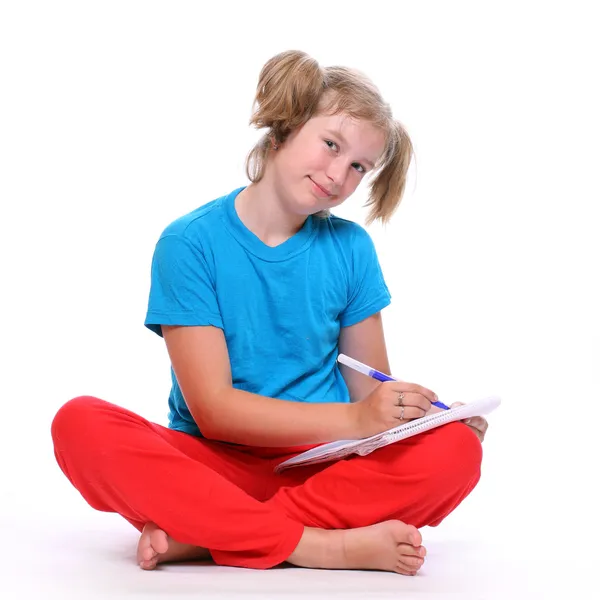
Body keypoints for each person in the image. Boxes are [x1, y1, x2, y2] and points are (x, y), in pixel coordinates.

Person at [51, 49, 489, 576]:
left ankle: (210, 538)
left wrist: (414, 422)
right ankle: (320, 545)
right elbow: (214, 410)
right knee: (80, 424)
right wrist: (355, 419)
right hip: (213, 467)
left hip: (323, 468)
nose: (337, 175)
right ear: (284, 129)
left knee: (456, 452)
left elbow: (368, 394)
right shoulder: (190, 243)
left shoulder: (351, 249)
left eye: (357, 167)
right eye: (331, 145)